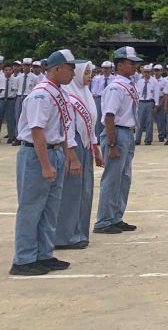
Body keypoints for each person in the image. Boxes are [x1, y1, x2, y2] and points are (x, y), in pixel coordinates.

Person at [10, 49, 82, 276]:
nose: (73, 73)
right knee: (32, 208)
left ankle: (44, 254)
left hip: (54, 152)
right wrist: (45, 165)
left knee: (50, 208)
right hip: (37, 154)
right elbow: (37, 132)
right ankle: (24, 258)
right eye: (71, 69)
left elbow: (61, 130)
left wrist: (68, 155)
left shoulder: (58, 93)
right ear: (57, 68)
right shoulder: (41, 95)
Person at [94, 46, 142, 235]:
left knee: (123, 178)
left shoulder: (127, 84)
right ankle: (104, 220)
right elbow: (109, 117)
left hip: (127, 132)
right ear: (120, 65)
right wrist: (112, 144)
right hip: (117, 133)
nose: (135, 67)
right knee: (112, 178)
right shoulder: (115, 87)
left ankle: (116, 217)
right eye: (131, 63)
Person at [56, 60, 103, 251]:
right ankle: (64, 236)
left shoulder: (87, 94)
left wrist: (95, 148)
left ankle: (79, 232)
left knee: (85, 190)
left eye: (90, 73)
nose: (89, 76)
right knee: (71, 191)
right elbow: (67, 128)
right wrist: (72, 155)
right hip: (72, 145)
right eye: (86, 73)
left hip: (85, 145)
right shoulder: (67, 95)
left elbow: (90, 125)